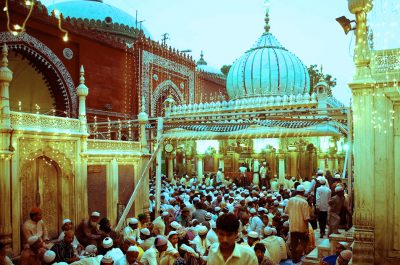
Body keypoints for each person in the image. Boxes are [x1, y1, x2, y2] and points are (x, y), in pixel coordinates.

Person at [285, 185, 310, 263]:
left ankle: (295, 260)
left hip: (292, 226)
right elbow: (306, 218)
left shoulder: (290, 200)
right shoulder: (304, 202)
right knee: (304, 241)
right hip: (301, 227)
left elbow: (286, 211)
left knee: (294, 244)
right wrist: (307, 229)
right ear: (303, 193)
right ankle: (298, 254)